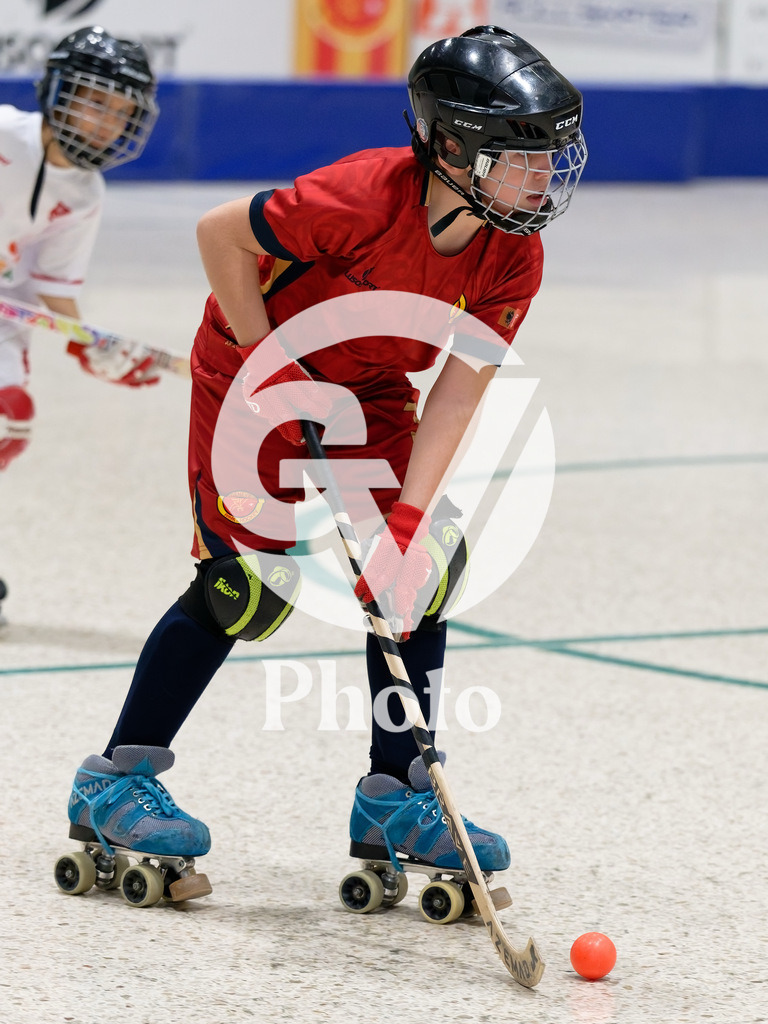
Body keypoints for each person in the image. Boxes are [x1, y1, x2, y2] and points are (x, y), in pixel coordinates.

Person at [62, 26, 588, 892]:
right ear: (450, 147)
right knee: (246, 589)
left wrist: (408, 522)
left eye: (550, 157)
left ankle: (395, 796)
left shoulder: (515, 253)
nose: (544, 179)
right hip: (252, 368)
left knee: (417, 570)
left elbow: (458, 391)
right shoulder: (362, 198)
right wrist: (271, 367)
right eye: (522, 158)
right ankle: (113, 779)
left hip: (374, 386)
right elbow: (219, 236)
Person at [0, 26, 161, 623]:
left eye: (120, 112)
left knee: (6, 423)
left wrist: (90, 349)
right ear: (58, 92)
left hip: (4, 308)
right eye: (94, 101)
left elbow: (51, 290)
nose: (104, 123)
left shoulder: (85, 193)